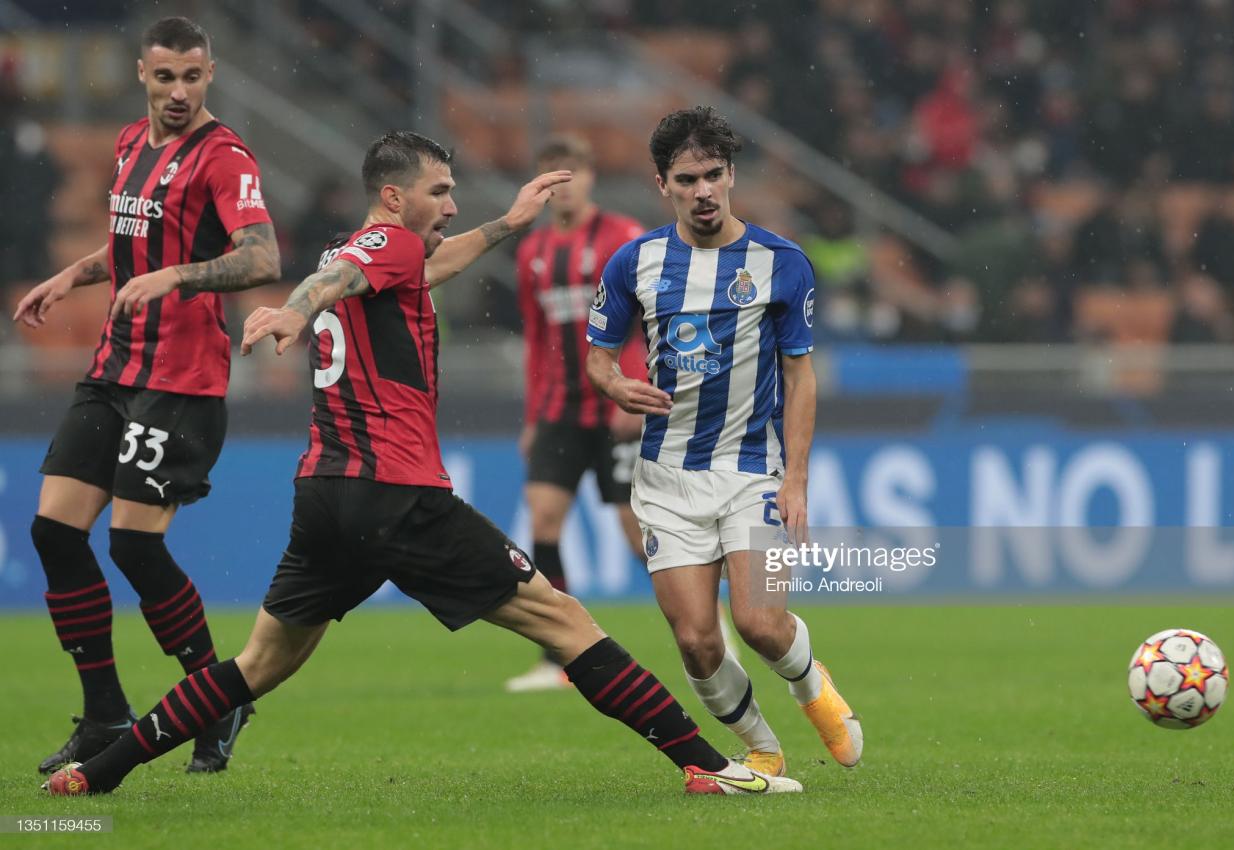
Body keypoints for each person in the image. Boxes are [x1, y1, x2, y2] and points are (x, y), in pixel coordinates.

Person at [43, 131, 801, 798]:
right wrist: (295, 311)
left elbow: (414, 265)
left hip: (325, 494)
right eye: (440, 192)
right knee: (567, 623)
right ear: (393, 195)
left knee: (257, 664)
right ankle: (708, 764)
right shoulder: (385, 247)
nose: (449, 204)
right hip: (398, 494)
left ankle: (101, 769)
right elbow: (337, 281)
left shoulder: (379, 253)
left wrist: (507, 223)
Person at [12, 17, 280, 775]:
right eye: (165, 77)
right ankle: (104, 711)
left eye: (192, 77)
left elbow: (262, 255)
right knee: (55, 534)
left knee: (132, 541)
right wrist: (75, 274)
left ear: (210, 74)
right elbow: (137, 241)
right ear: (142, 73)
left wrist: (179, 277)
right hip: (114, 368)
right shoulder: (132, 143)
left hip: (181, 379)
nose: (178, 92)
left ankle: (216, 695)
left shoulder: (226, 158)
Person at [585, 107, 864, 778]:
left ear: (732, 175)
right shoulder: (634, 263)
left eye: (714, 175)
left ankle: (812, 690)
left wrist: (795, 479)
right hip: (665, 477)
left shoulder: (782, 263)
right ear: (663, 185)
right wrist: (616, 387)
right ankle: (761, 746)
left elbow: (801, 379)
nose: (703, 190)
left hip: (752, 473)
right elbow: (596, 357)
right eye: (688, 179)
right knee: (696, 640)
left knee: (761, 624)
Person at [507, 134, 649, 692]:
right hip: (560, 410)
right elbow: (537, 339)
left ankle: (706, 625)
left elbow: (648, 320)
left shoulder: (622, 238)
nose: (563, 186)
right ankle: (559, 658)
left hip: (617, 404)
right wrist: (533, 415)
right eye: (551, 176)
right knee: (542, 519)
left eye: (572, 174)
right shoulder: (531, 253)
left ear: (590, 177)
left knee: (637, 533)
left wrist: (632, 387)